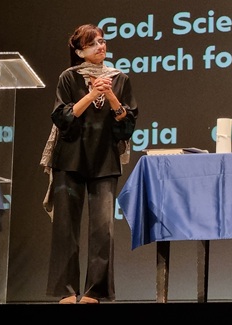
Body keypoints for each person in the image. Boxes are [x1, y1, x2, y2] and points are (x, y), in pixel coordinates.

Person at [41, 24, 138, 304]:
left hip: (104, 160)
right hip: (70, 159)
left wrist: (110, 96)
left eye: (102, 41)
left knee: (103, 229)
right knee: (65, 228)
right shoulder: (68, 78)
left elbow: (127, 126)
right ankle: (67, 290)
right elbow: (62, 118)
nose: (101, 46)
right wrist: (92, 94)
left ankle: (95, 291)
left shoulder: (120, 79)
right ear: (80, 51)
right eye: (93, 43)